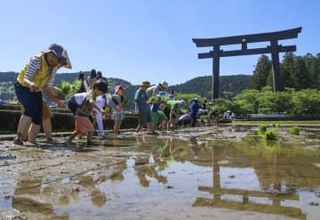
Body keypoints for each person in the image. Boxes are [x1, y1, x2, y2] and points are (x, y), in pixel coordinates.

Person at [13, 44, 67, 145]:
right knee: (30, 109)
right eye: (58, 60)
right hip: (23, 86)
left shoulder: (51, 69)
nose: (58, 64)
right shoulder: (37, 60)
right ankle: (18, 138)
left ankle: (32, 141)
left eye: (60, 62)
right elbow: (26, 79)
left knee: (39, 114)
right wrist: (31, 84)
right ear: (51, 55)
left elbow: (46, 88)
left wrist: (57, 101)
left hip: (36, 89)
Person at [67, 80, 108, 146]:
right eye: (101, 92)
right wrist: (100, 109)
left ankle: (68, 141)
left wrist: (92, 111)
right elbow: (91, 102)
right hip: (74, 104)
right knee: (91, 129)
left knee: (78, 130)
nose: (101, 94)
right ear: (96, 88)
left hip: (78, 108)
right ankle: (89, 143)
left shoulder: (93, 94)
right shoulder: (91, 94)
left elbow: (87, 104)